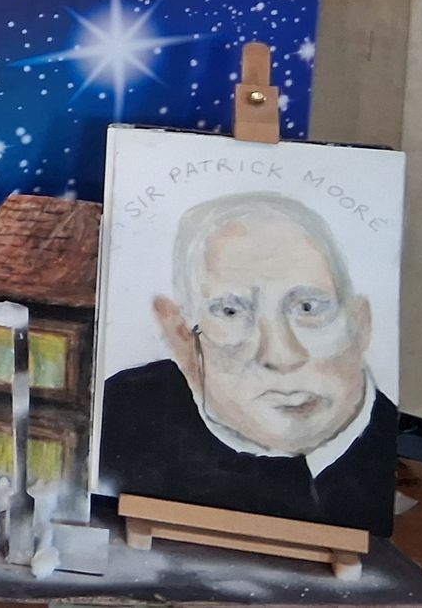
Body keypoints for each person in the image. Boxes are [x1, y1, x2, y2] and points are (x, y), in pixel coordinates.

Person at [97, 191, 396, 533]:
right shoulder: (120, 417)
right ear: (182, 335)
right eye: (231, 311)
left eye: (308, 308)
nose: (281, 356)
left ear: (360, 324)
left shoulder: (388, 451)